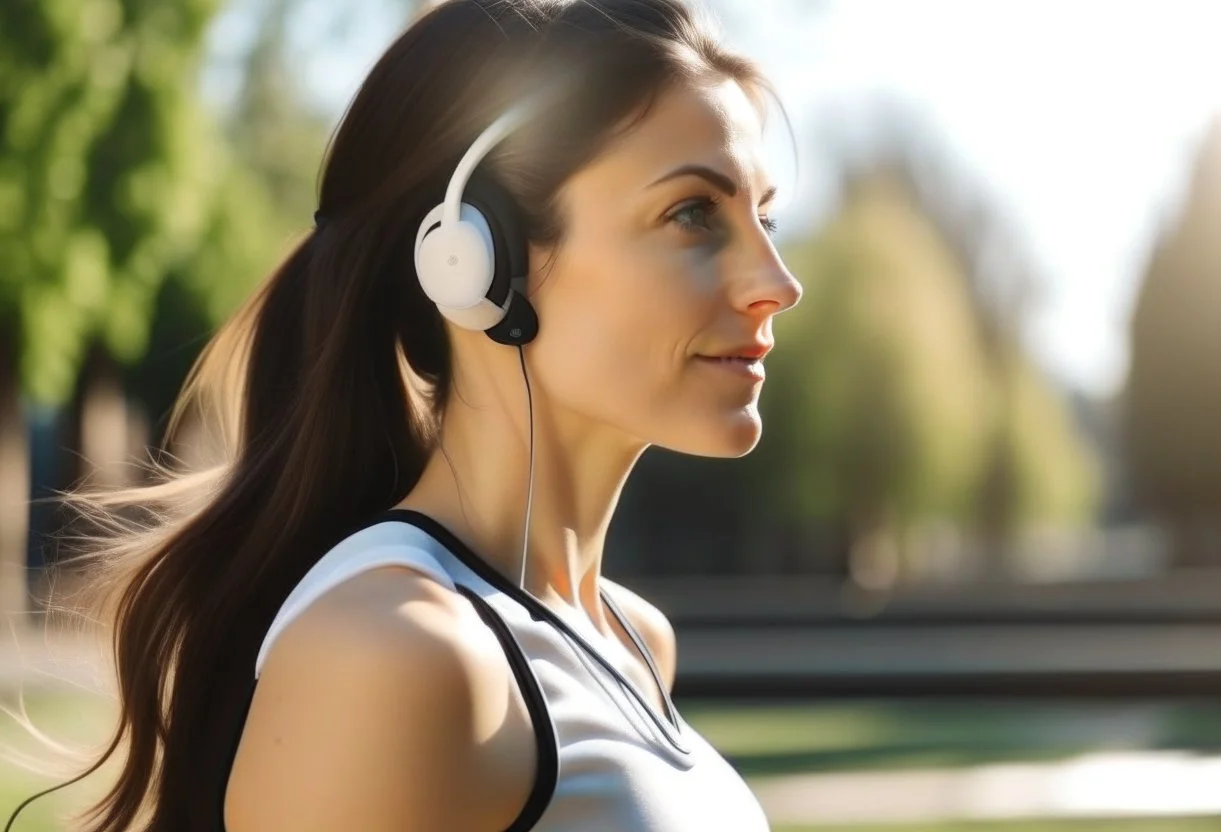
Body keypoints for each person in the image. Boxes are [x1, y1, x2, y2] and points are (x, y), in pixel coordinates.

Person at [6, 1, 802, 830]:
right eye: (692, 214)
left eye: (765, 216)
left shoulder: (635, 641)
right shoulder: (395, 655)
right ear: (473, 257)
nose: (778, 282)